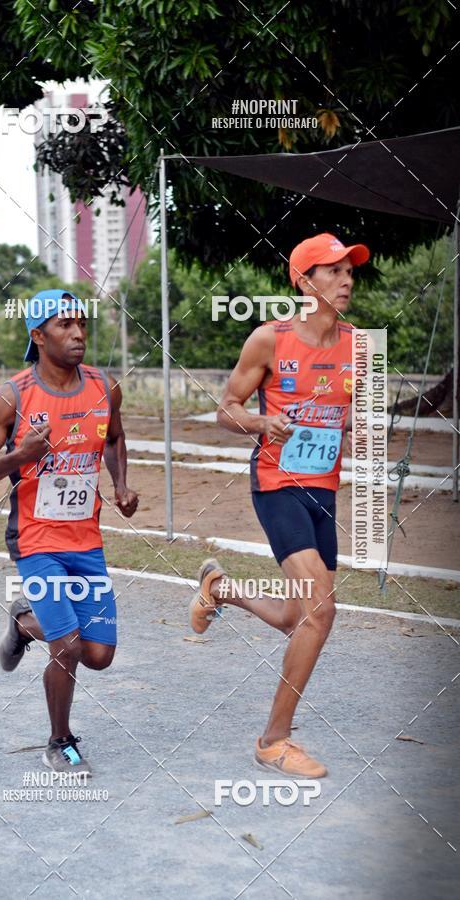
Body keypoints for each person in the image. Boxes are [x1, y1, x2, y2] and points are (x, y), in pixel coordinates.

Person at [190, 233, 370, 777]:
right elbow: (227, 408)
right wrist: (262, 421)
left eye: (349, 272)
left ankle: (221, 589)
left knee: (298, 617)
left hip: (323, 491)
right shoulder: (268, 340)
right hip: (277, 483)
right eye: (333, 271)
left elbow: (356, 414)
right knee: (321, 611)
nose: (346, 281)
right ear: (304, 281)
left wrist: (360, 427)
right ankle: (273, 740)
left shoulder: (360, 344)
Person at [0, 290, 138, 775]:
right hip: (35, 538)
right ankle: (60, 741)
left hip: (86, 538)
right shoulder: (13, 395)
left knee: (98, 654)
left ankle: (24, 624)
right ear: (38, 336)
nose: (78, 333)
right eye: (64, 325)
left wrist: (121, 484)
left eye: (81, 323)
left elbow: (116, 436)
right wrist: (16, 459)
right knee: (66, 647)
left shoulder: (105, 387)